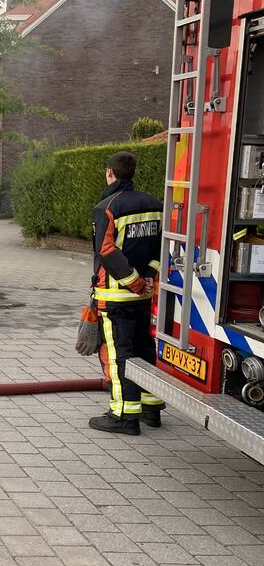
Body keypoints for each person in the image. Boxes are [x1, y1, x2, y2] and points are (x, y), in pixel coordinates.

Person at [88, 151, 165, 435]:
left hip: (116, 296)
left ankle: (123, 415)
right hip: (145, 294)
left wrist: (132, 281)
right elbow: (160, 247)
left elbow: (106, 251)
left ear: (110, 173)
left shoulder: (107, 206)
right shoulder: (154, 204)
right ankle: (151, 409)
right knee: (145, 348)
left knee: (121, 353)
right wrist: (148, 277)